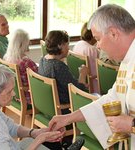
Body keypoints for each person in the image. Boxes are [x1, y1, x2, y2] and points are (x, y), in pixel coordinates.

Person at [49, 4, 135, 149]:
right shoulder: (127, 60)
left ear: (114, 33)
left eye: (98, 38)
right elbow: (111, 99)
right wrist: (68, 118)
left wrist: (132, 124)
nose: (98, 46)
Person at [0, 64, 64, 150]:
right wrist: (40, 139)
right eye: (9, 91)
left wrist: (34, 132)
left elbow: (11, 127)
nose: (14, 94)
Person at [38, 30, 88, 105]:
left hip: (49, 105)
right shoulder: (58, 67)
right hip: (65, 107)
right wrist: (83, 74)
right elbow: (78, 91)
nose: (68, 48)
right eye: (67, 44)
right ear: (60, 45)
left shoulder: (42, 60)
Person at [3, 29, 38, 105]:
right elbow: (38, 81)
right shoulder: (27, 63)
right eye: (27, 42)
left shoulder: (6, 58)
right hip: (28, 97)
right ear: (22, 44)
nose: (29, 43)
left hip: (15, 95)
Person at [73, 22, 99, 93]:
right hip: (92, 85)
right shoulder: (91, 49)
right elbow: (94, 73)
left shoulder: (78, 44)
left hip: (80, 79)